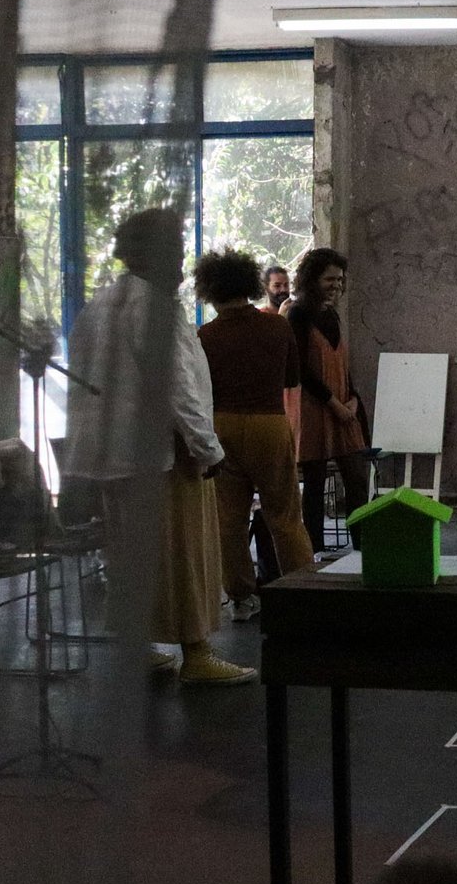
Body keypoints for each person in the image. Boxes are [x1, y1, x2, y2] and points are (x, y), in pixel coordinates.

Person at [62, 208, 255, 684]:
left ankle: (138, 647)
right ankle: (197, 654)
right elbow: (176, 386)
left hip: (114, 457)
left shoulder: (99, 305)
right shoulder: (156, 308)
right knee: (183, 554)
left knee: (130, 555)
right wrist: (207, 448)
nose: (180, 260)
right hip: (164, 457)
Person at [194, 248, 315, 620]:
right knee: (285, 516)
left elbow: (198, 389)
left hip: (222, 426)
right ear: (249, 284)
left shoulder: (205, 335)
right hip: (269, 424)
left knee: (229, 520)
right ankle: (303, 592)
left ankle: (242, 598)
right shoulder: (277, 327)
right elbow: (292, 379)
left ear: (209, 291)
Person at [286, 247, 371, 553]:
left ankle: (362, 548)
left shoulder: (331, 315)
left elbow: (342, 365)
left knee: (357, 479)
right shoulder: (297, 314)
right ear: (312, 279)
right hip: (315, 408)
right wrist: (333, 403)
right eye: (330, 279)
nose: (336, 285)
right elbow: (301, 369)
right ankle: (315, 553)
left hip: (343, 406)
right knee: (315, 484)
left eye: (340, 279)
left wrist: (353, 401)